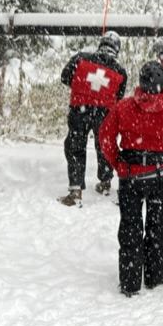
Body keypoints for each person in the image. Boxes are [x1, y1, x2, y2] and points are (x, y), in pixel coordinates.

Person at [99, 61, 163, 297]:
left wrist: (119, 164)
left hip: (131, 176)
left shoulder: (123, 108)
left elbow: (106, 138)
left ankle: (130, 280)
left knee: (130, 227)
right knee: (158, 226)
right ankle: (154, 274)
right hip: (161, 179)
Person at [60, 31, 128, 206]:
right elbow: (118, 97)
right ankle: (105, 182)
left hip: (79, 109)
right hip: (104, 113)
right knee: (104, 146)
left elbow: (65, 77)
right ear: (117, 50)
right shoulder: (120, 71)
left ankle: (75, 190)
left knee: (75, 146)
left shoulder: (80, 58)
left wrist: (83, 90)